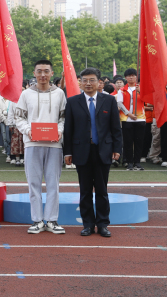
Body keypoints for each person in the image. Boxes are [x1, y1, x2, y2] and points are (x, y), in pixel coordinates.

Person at [64, 68, 122, 237]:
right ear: (80, 83)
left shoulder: (109, 101)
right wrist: (68, 152)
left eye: (92, 80)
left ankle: (103, 224)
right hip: (81, 151)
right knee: (85, 191)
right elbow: (68, 129)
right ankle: (88, 224)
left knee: (102, 190)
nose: (88, 83)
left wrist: (117, 149)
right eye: (85, 80)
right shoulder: (72, 102)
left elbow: (116, 128)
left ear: (99, 82)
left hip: (104, 150)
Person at [15, 59, 67, 234]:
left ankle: (52, 220)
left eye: (46, 71)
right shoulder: (26, 94)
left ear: (52, 73)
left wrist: (59, 130)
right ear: (34, 73)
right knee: (33, 183)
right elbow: (19, 117)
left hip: (54, 145)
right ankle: (37, 220)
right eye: (39, 71)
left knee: (53, 184)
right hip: (32, 143)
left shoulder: (59, 93)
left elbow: (63, 117)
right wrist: (28, 131)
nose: (43, 74)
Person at [116, 68, 145, 170]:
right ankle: (129, 162)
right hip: (127, 119)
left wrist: (140, 92)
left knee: (139, 141)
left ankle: (137, 162)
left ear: (136, 77)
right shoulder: (122, 90)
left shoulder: (141, 88)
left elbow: (148, 100)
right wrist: (129, 114)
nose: (131, 77)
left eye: (133, 75)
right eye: (129, 76)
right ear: (126, 77)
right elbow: (120, 103)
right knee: (128, 142)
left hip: (140, 118)